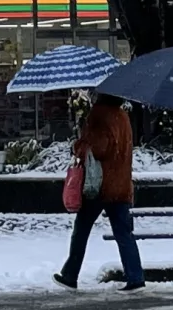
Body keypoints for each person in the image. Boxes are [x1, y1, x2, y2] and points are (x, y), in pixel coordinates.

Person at [53, 93, 145, 292]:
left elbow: (99, 149)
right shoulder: (122, 116)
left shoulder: (99, 114)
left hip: (99, 186)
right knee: (124, 233)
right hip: (121, 185)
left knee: (81, 229)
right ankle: (135, 276)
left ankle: (70, 274)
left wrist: (80, 143)